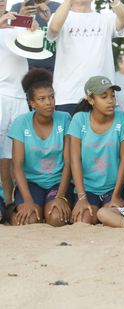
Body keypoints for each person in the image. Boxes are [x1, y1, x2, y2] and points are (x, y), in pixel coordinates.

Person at [7, 68, 72, 226]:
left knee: (56, 218)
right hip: (31, 184)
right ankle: (11, 210)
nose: (49, 102)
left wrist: (60, 196)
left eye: (51, 97)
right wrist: (28, 201)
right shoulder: (21, 123)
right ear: (32, 103)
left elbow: (69, 163)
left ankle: (49, 204)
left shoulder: (64, 119)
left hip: (58, 182)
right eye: (42, 99)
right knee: (28, 220)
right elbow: (17, 166)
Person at [47, 0, 124, 115]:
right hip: (68, 96)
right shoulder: (60, 16)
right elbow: (54, 28)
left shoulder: (105, 19)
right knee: (69, 133)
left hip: (101, 95)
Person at [67, 76, 124, 225]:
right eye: (104, 96)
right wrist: (82, 197)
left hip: (114, 188)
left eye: (112, 96)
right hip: (87, 189)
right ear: (91, 100)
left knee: (108, 215)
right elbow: (74, 160)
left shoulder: (122, 118)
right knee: (84, 220)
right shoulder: (79, 119)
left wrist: (116, 195)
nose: (110, 100)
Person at [0, 1, 30, 211]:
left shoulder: (16, 21)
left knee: (12, 154)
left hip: (20, 95)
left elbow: (37, 42)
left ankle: (10, 202)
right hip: (0, 94)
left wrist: (30, 23)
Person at [11, 0, 60, 72]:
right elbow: (10, 38)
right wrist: (21, 18)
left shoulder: (57, 8)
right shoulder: (17, 7)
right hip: (24, 69)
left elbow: (64, 37)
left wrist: (49, 19)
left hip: (52, 69)